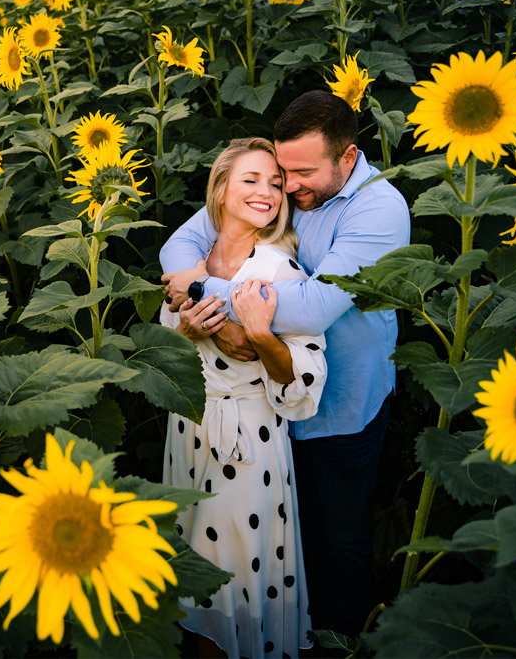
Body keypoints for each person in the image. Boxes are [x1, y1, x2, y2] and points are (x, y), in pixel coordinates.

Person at [160, 91, 411, 638]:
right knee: (283, 533)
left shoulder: (379, 210)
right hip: (268, 410)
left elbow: (313, 307)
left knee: (338, 537)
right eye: (281, 173)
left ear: (347, 158)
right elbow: (184, 241)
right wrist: (206, 299)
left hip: (342, 402)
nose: (287, 187)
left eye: (298, 175)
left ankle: (342, 641)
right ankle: (287, 630)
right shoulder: (292, 187)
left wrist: (202, 291)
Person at [160, 137, 326, 659]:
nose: (267, 192)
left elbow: (305, 381)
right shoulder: (187, 264)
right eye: (251, 180)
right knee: (188, 564)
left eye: (276, 184)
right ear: (222, 188)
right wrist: (187, 332)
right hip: (187, 428)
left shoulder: (277, 270)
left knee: (234, 573)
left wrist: (261, 338)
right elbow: (161, 352)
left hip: (248, 441)